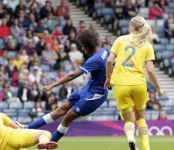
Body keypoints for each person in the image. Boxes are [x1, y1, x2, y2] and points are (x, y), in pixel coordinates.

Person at [28, 30, 109, 148]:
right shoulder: (104, 52)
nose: (82, 48)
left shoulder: (95, 59)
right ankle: (27, 128)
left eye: (82, 45)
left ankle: (48, 145)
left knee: (67, 117)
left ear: (87, 45)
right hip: (88, 88)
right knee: (61, 109)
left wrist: (52, 85)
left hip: (96, 95)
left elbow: (72, 76)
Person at [104, 16, 162, 150]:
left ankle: (131, 138)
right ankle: (146, 147)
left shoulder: (120, 40)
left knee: (129, 120)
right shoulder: (147, 45)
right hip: (139, 84)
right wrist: (158, 88)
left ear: (131, 27)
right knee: (141, 118)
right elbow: (150, 70)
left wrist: (108, 78)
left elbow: (108, 61)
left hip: (121, 84)